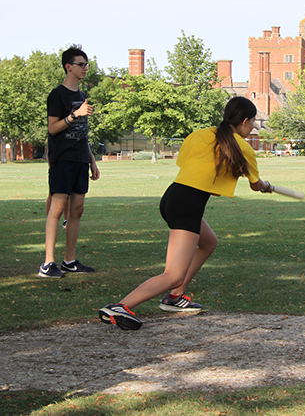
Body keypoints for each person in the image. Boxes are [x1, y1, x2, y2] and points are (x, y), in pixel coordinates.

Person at [99, 96, 273, 330]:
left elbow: (186, 165)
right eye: (252, 122)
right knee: (173, 274)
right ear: (244, 121)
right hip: (187, 206)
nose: (252, 127)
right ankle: (120, 306)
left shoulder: (201, 134)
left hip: (173, 196)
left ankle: (174, 297)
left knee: (209, 242)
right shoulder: (243, 148)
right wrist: (267, 186)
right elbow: (255, 184)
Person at [38, 45, 100, 278]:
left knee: (77, 209)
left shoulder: (81, 96)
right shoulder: (58, 95)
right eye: (81, 65)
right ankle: (48, 263)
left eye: (86, 65)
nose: (85, 69)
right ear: (68, 67)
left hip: (80, 160)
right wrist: (75, 114)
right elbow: (53, 128)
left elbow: (83, 133)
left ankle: (69, 261)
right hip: (62, 159)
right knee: (56, 209)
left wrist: (92, 160)